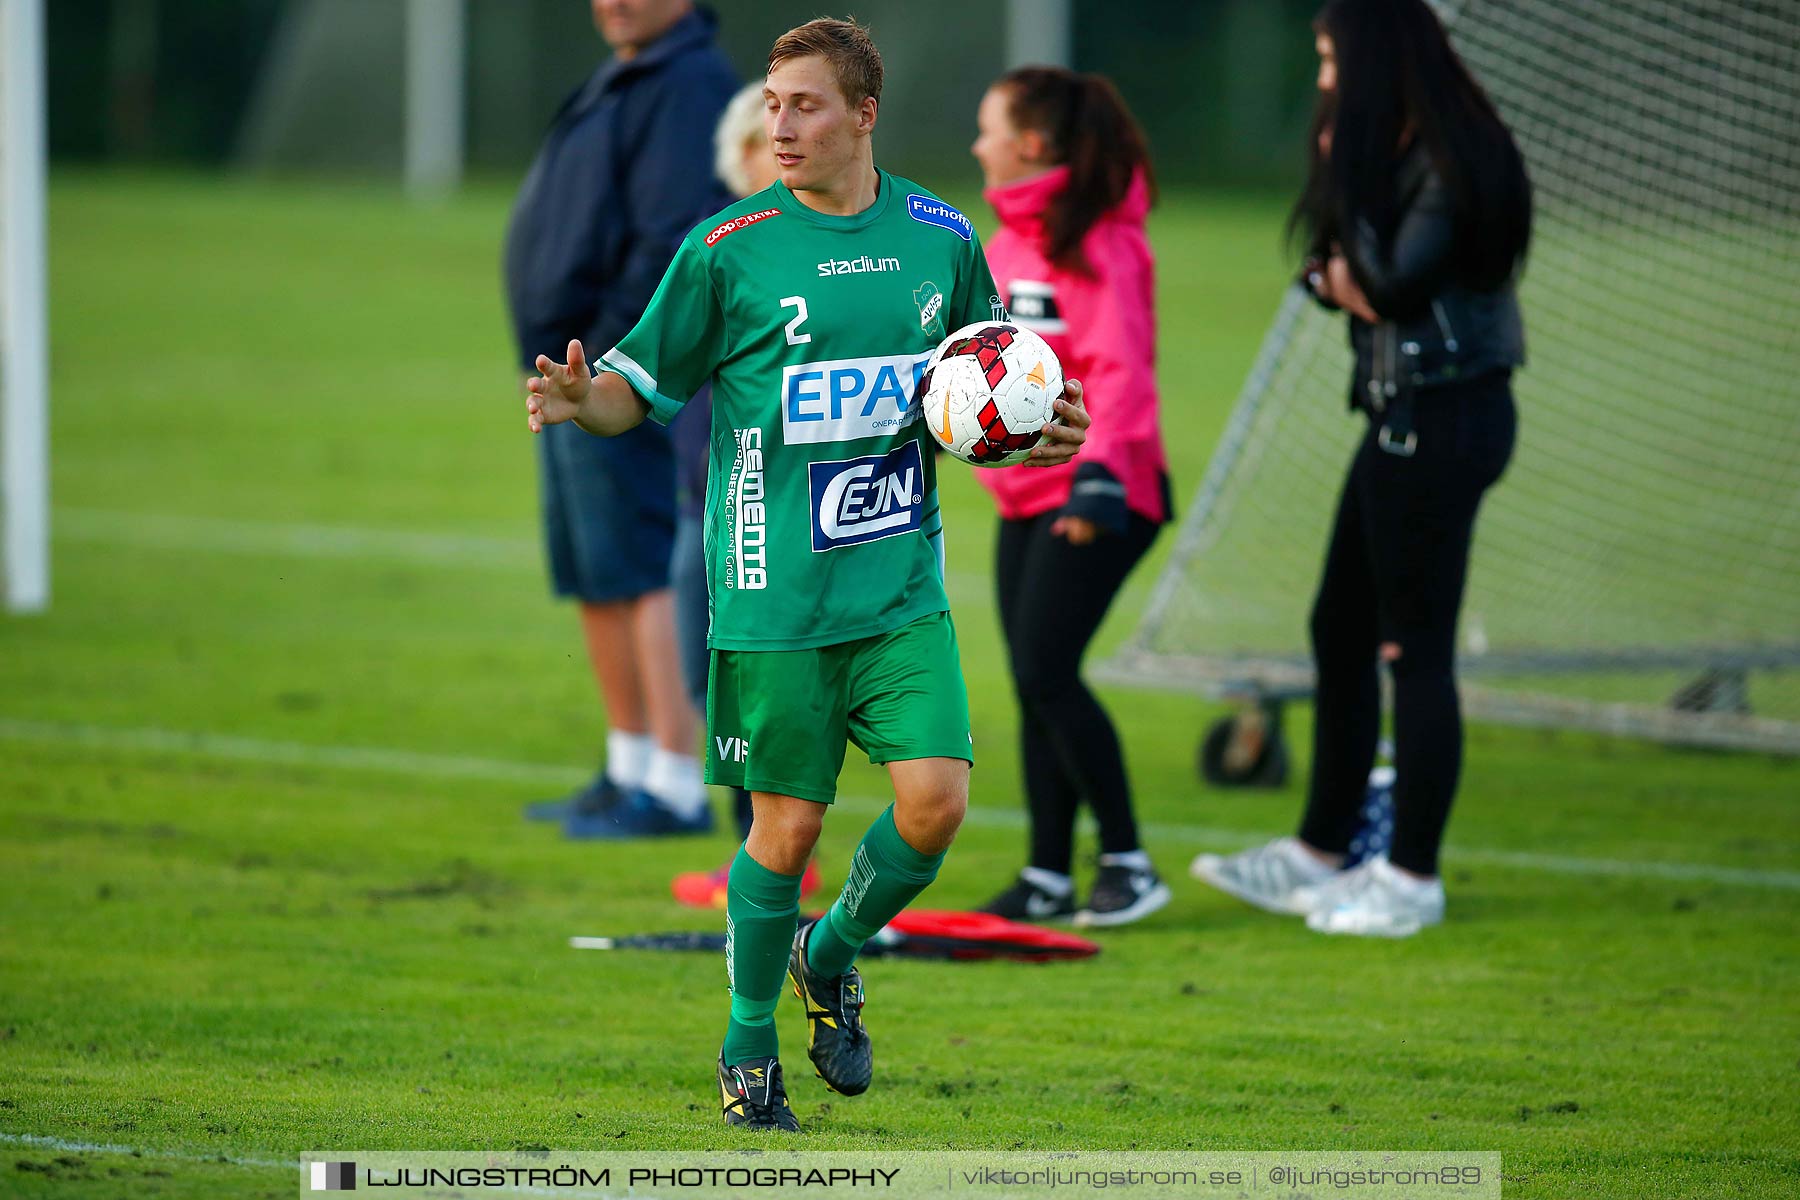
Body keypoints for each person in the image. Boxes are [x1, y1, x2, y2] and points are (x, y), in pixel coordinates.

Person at [523, 18, 1090, 1131]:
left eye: (806, 105)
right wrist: (585, 402)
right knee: (782, 836)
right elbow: (639, 382)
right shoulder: (726, 246)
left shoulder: (937, 233)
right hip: (774, 597)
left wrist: (1044, 425)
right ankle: (746, 1049)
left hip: (898, 591)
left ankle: (829, 957)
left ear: (864, 113)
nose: (779, 124)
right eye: (773, 103)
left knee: (935, 807)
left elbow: (988, 384)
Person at [1191, 0, 1529, 937]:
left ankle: (1410, 877)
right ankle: (1319, 851)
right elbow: (1330, 275)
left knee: (1410, 650)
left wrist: (1346, 244)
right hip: (1400, 417)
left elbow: (1384, 283)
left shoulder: (1452, 158)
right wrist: (1341, 267)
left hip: (1444, 416)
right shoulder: (1402, 148)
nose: (1326, 82)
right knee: (1339, 625)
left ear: (1377, 60)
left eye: (1334, 61)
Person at [503, 0, 736, 837]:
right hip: (571, 372)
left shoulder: (689, 82)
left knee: (642, 565)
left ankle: (674, 783)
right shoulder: (627, 71)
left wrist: (612, 362)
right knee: (597, 569)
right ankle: (628, 763)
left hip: (618, 373)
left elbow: (669, 239)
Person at [967, 67, 1173, 928]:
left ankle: (1127, 862)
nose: (978, 144)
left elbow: (1121, 371)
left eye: (989, 128)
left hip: (1105, 491)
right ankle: (1048, 873)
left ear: (1034, 144)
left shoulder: (1102, 240)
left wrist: (1097, 477)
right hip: (1026, 496)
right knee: (1031, 680)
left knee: (1048, 669)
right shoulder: (1004, 242)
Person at [668, 84, 820, 908]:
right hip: (709, 501)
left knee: (767, 685)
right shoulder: (720, 255)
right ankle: (758, 848)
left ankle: (775, 854)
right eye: (766, 141)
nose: (781, 151)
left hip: (781, 508)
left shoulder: (812, 266)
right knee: (712, 675)